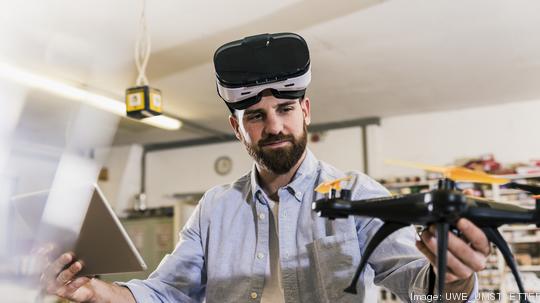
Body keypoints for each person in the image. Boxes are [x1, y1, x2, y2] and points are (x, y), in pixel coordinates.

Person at [44, 32, 489, 303]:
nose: (274, 126)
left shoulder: (356, 194)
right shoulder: (215, 208)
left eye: (286, 109)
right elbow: (166, 292)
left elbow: (418, 284)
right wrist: (93, 291)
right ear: (238, 129)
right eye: (255, 116)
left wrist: (456, 277)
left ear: (306, 110)